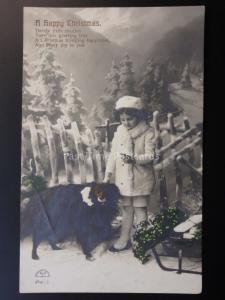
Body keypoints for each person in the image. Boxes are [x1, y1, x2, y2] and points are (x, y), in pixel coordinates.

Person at [103, 96, 156, 252]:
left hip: (141, 179)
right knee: (126, 209)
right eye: (123, 119)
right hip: (124, 179)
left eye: (130, 119)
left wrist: (135, 159)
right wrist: (108, 173)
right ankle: (124, 239)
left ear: (138, 117)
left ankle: (142, 240)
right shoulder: (119, 132)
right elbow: (113, 154)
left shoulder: (148, 132)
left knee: (140, 209)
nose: (126, 123)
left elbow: (151, 155)